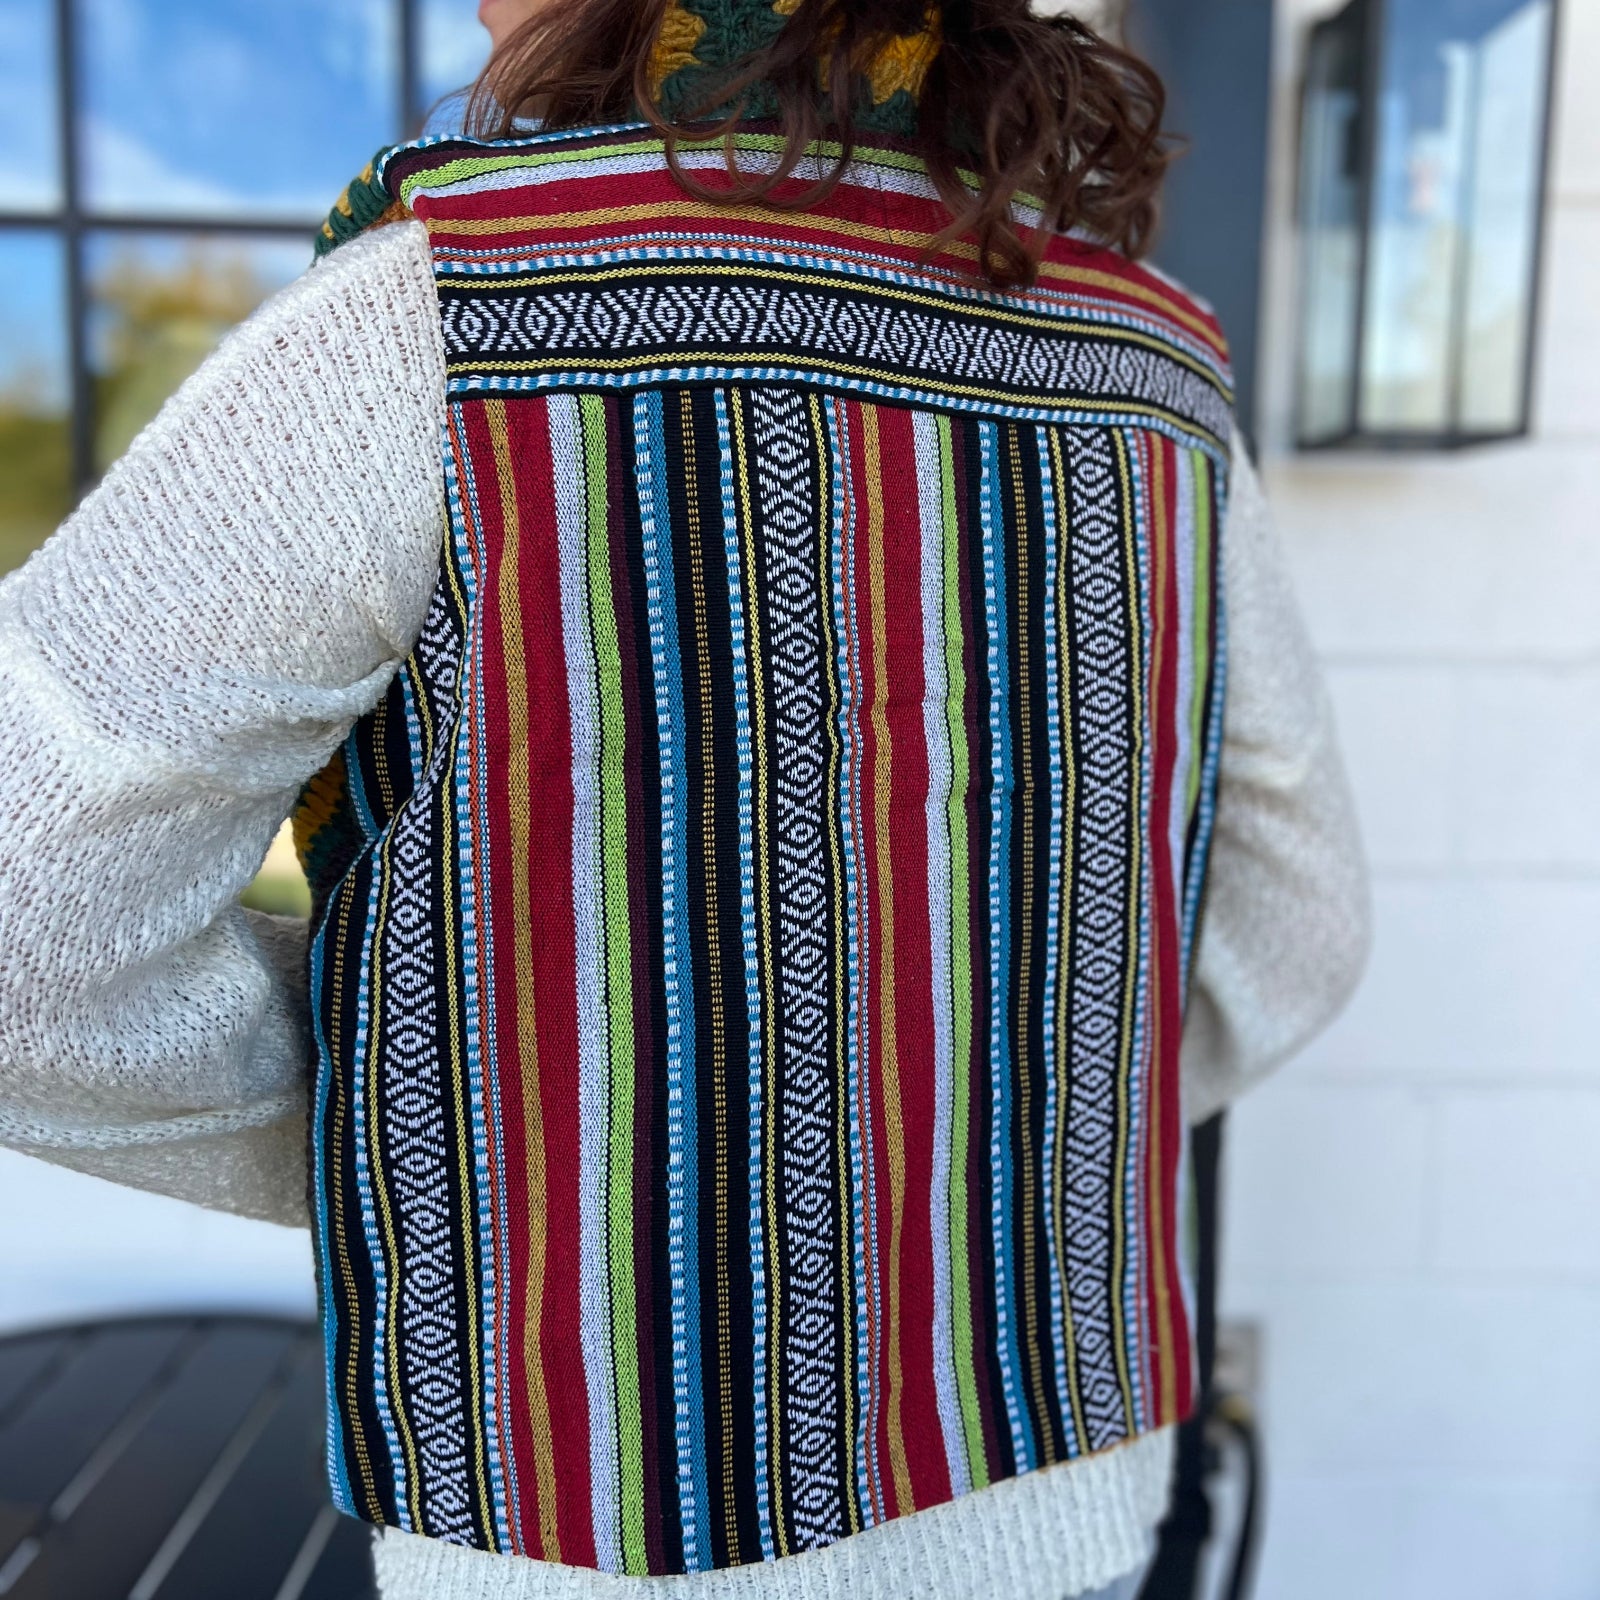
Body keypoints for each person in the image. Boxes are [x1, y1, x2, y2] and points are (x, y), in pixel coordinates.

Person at [0, 1, 1369, 1597]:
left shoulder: (438, 316)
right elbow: (1299, 927)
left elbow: (28, 931)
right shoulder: (1162, 374)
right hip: (1065, 1484)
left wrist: (473, 1141)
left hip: (594, 1518)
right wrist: (1009, 1122)